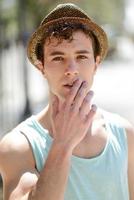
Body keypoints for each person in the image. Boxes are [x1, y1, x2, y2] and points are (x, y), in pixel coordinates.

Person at [0, 3, 134, 200]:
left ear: (96, 64)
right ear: (41, 67)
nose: (71, 69)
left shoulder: (124, 134)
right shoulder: (19, 146)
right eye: (58, 58)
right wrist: (62, 144)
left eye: (81, 56)